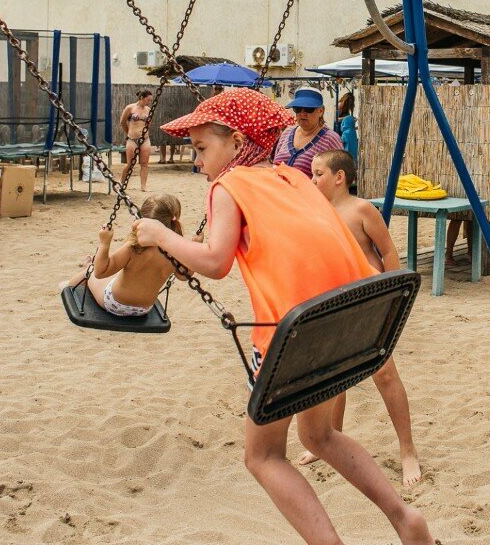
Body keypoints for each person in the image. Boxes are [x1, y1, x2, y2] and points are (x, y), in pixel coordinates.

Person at [132, 89, 432, 545]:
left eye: (201, 148)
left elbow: (216, 262)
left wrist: (159, 234)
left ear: (236, 142)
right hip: (347, 324)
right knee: (319, 436)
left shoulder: (228, 187)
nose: (198, 162)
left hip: (295, 339)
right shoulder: (295, 179)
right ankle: (406, 519)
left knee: (263, 456)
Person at [308, 149, 422, 487]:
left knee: (384, 374)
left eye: (318, 174)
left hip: (369, 301)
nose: (312, 180)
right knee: (333, 378)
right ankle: (330, 441)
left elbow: (387, 250)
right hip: (332, 302)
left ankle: (407, 450)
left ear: (339, 177)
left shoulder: (361, 209)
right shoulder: (316, 210)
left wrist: (394, 295)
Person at [64, 194, 182, 315]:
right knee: (120, 273)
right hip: (144, 309)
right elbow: (183, 276)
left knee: (91, 271)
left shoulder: (134, 247)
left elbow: (100, 272)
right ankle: (90, 266)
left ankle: (68, 288)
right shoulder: (177, 251)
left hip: (114, 303)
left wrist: (105, 243)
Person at [273, 86, 343, 178]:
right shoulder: (287, 133)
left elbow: (340, 176)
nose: (302, 114)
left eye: (308, 109)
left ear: (321, 111)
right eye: (298, 109)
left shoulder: (330, 139)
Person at [120, 89, 154, 191]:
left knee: (144, 164)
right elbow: (122, 122)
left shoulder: (148, 110)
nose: (149, 102)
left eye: (150, 100)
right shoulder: (130, 108)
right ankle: (122, 182)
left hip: (145, 140)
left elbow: (149, 124)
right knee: (130, 164)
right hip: (132, 139)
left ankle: (143, 186)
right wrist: (129, 132)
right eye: (148, 100)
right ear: (141, 98)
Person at [335, 91, 359, 164]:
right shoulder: (339, 105)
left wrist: (354, 126)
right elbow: (336, 119)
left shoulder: (347, 108)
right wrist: (347, 118)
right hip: (338, 129)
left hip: (343, 129)